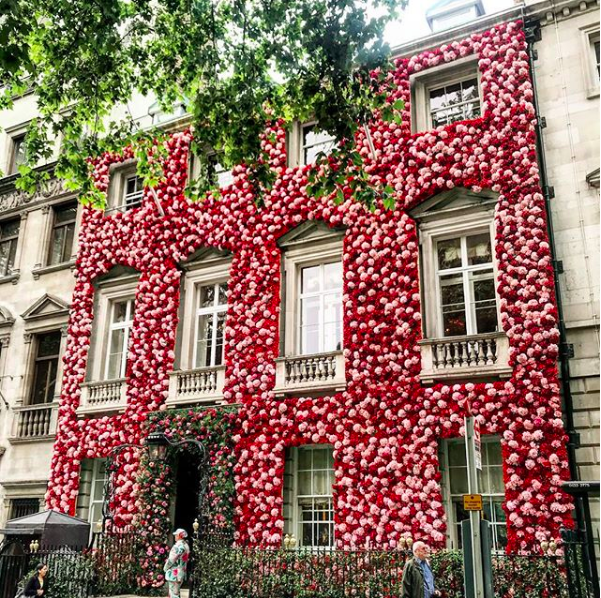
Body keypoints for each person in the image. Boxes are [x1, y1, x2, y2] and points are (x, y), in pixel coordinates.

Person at [163, 528, 190, 598]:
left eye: (176, 535)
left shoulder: (178, 546)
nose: (175, 536)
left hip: (174, 573)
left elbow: (171, 559)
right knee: (176, 592)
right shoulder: (186, 546)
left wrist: (165, 567)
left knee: (174, 594)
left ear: (179, 536)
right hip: (181, 571)